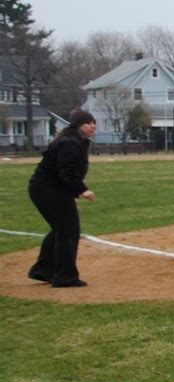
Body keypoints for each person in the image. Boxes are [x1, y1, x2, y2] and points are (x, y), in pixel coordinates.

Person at [27, 108, 97, 287]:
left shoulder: (75, 140)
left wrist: (71, 193)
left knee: (61, 228)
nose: (93, 126)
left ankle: (43, 270)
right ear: (79, 125)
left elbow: (65, 172)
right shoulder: (70, 142)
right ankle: (65, 277)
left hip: (50, 189)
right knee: (68, 231)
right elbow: (67, 171)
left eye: (93, 123)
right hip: (48, 189)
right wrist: (82, 190)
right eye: (89, 123)